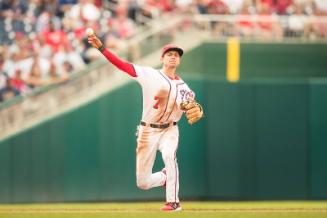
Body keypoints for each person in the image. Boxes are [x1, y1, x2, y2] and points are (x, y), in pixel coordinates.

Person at [87, 31, 204, 211]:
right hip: (147, 131)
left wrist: (192, 107)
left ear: (179, 61)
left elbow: (188, 105)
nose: (173, 57)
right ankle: (165, 178)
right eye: (169, 54)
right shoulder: (149, 74)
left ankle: (174, 202)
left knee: (168, 155)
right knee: (143, 183)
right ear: (162, 58)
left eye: (176, 55)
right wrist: (101, 48)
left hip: (169, 130)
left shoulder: (185, 88)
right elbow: (122, 65)